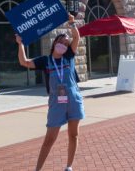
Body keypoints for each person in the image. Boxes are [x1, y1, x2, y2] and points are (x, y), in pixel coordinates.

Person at [16, 14, 84, 171]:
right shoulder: (45, 61)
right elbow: (23, 61)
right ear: (55, 43)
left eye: (66, 44)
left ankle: (68, 166)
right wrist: (20, 44)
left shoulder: (69, 56)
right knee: (50, 139)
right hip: (56, 102)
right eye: (61, 42)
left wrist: (72, 22)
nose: (64, 45)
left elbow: (76, 37)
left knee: (73, 135)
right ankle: (37, 169)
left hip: (73, 99)